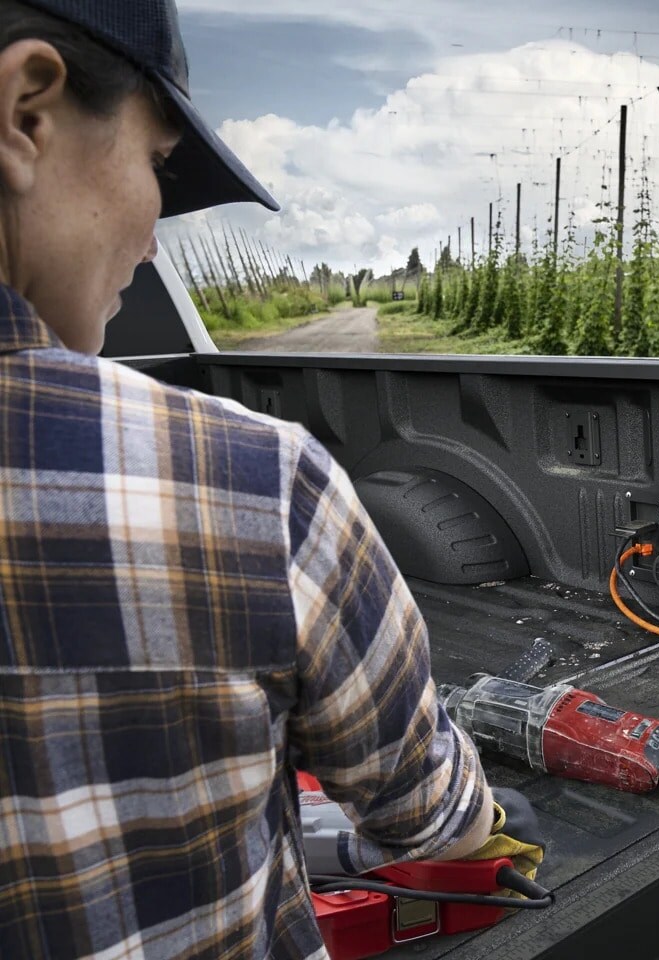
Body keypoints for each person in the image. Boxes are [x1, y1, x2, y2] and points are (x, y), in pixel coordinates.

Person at [0, 3, 498, 957]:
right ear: (26, 112)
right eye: (156, 164)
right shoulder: (252, 484)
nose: (154, 240)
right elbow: (434, 818)